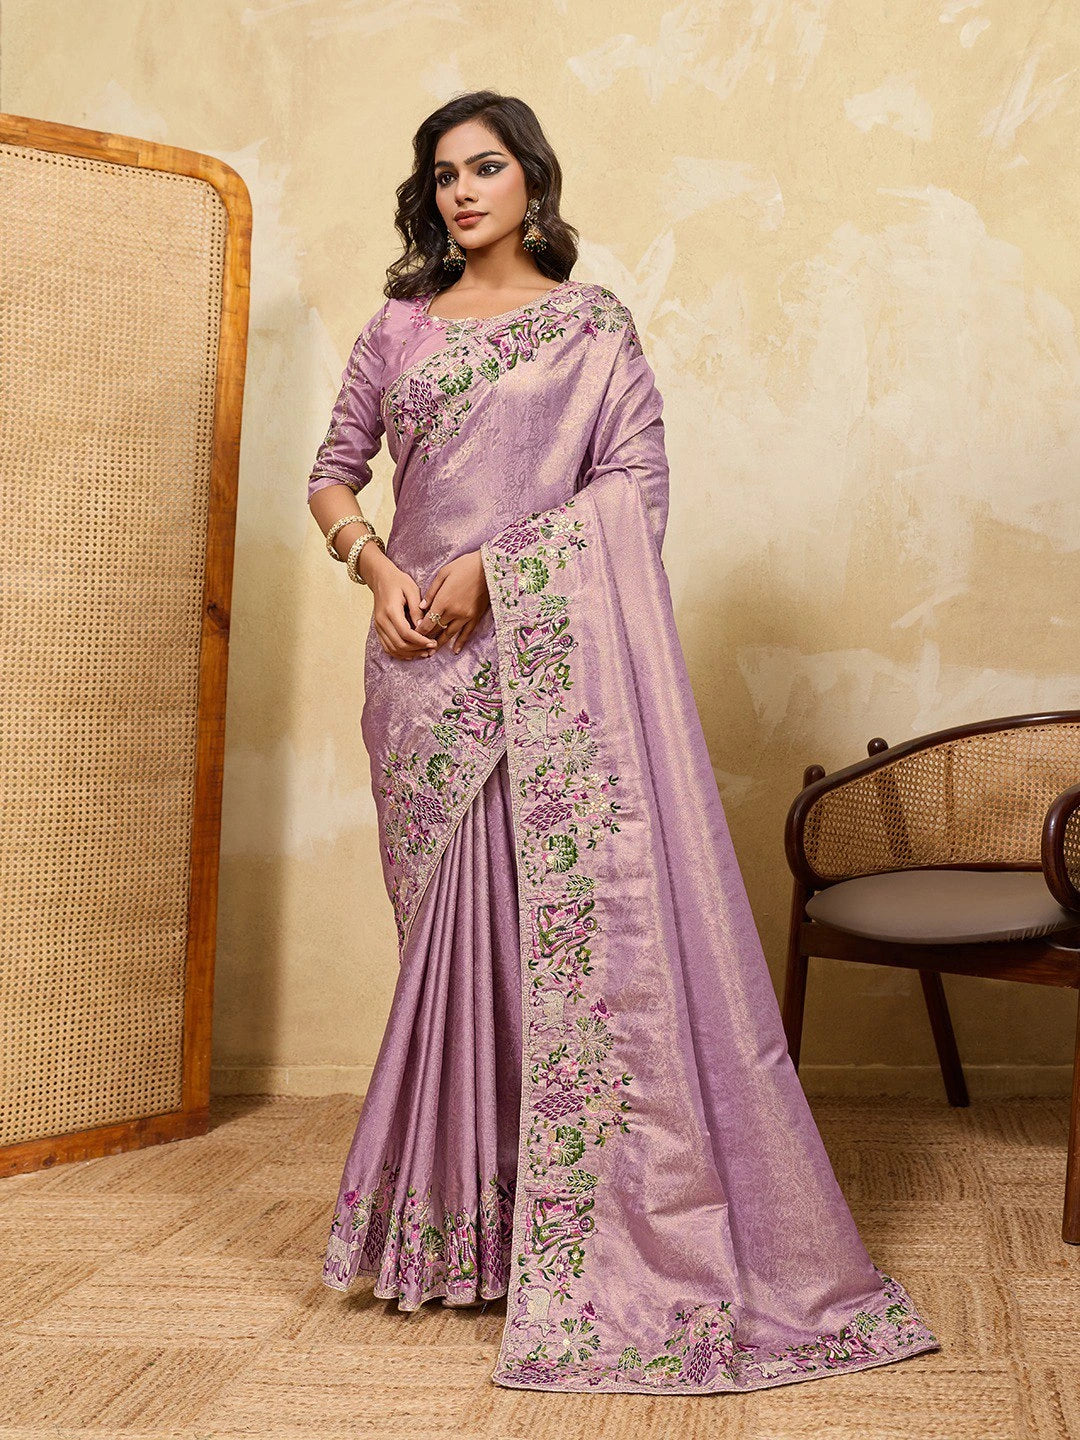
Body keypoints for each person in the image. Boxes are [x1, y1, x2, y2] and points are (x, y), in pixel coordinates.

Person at [307, 89, 940, 1395]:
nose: (462, 191)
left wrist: (496, 565)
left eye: (486, 167)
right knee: (453, 959)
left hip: (543, 674)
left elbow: (632, 497)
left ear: (533, 181)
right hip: (421, 681)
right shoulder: (397, 330)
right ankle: (466, 1238)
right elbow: (333, 469)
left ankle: (587, 1231)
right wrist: (376, 569)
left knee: (557, 954)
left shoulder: (592, 328)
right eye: (442, 175)